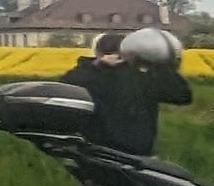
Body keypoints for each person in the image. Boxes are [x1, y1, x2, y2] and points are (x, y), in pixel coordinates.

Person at [63, 27, 195, 157]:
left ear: (97, 52)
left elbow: (63, 88)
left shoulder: (87, 73)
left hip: (95, 152)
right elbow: (182, 95)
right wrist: (164, 65)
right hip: (135, 154)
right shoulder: (145, 76)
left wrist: (96, 65)